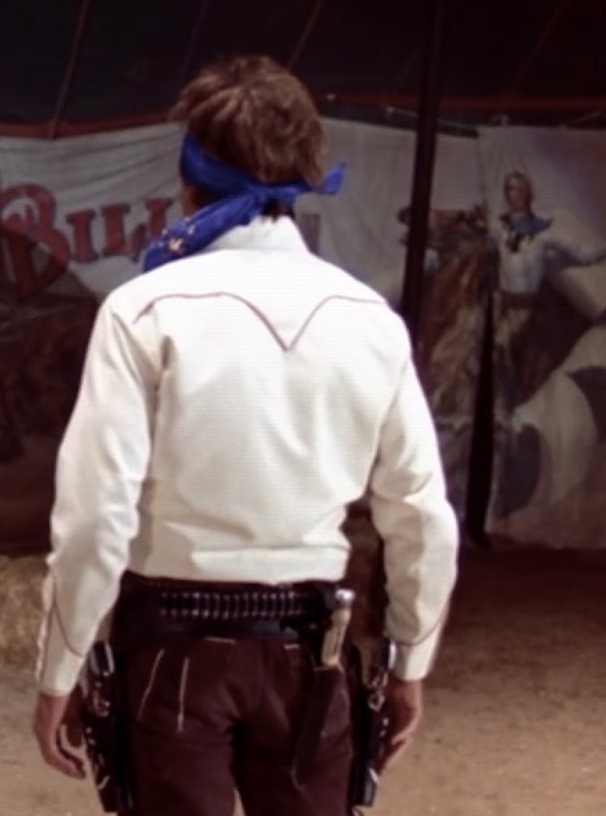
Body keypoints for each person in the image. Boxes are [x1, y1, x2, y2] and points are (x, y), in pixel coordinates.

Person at [29, 55, 460, 815]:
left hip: (173, 650)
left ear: (190, 179)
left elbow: (96, 518)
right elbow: (422, 517)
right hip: (312, 653)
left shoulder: (143, 311)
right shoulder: (370, 320)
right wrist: (409, 661)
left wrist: (57, 673)